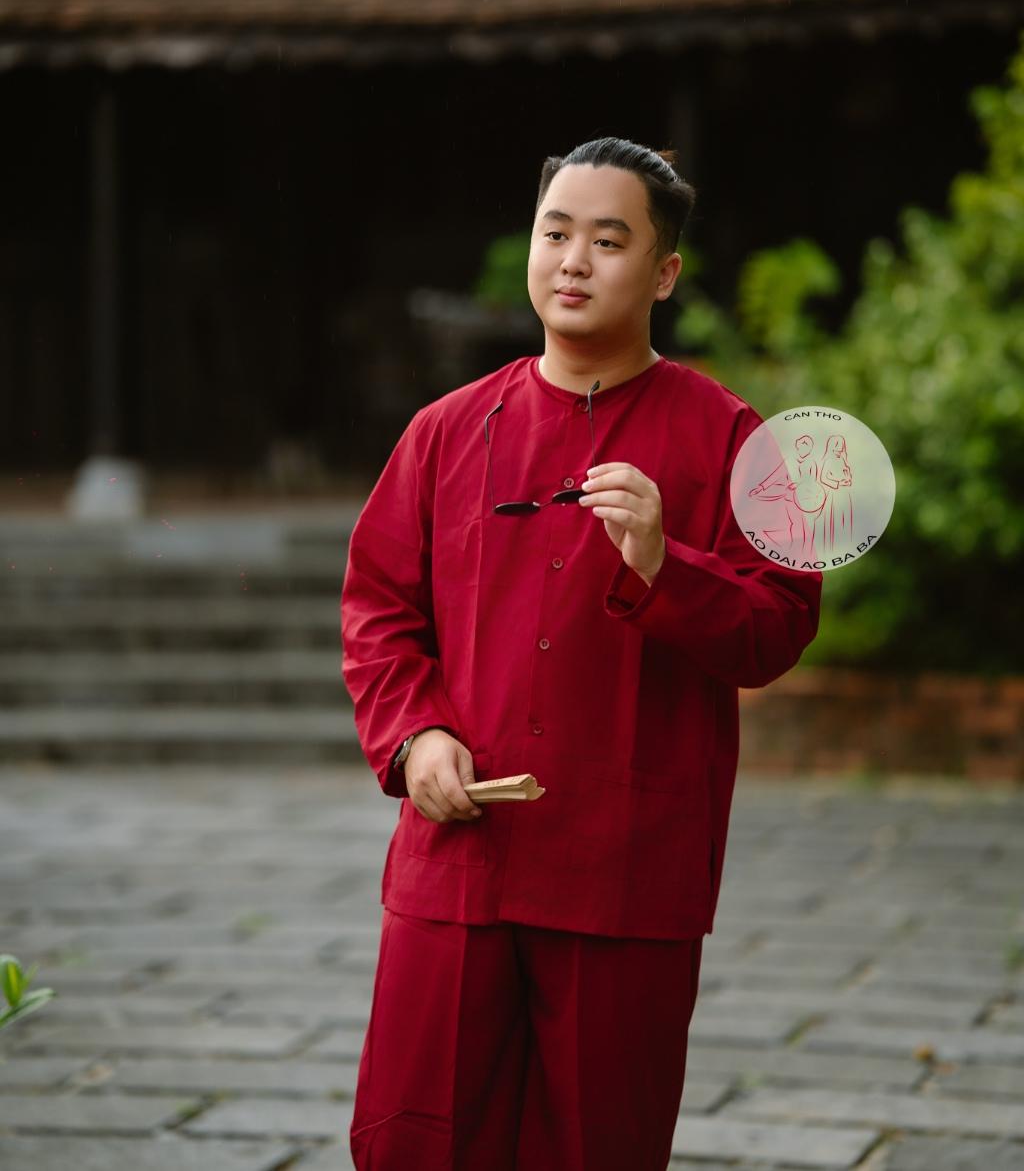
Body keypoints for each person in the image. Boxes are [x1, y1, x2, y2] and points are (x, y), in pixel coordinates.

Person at [340, 136, 823, 1170]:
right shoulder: (444, 431)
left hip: (627, 868)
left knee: (602, 1145)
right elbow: (379, 608)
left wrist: (662, 561)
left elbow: (778, 625)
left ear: (664, 272)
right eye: (555, 232)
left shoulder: (733, 438)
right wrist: (416, 736)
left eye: (608, 240)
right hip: (460, 858)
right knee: (416, 1136)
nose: (573, 260)